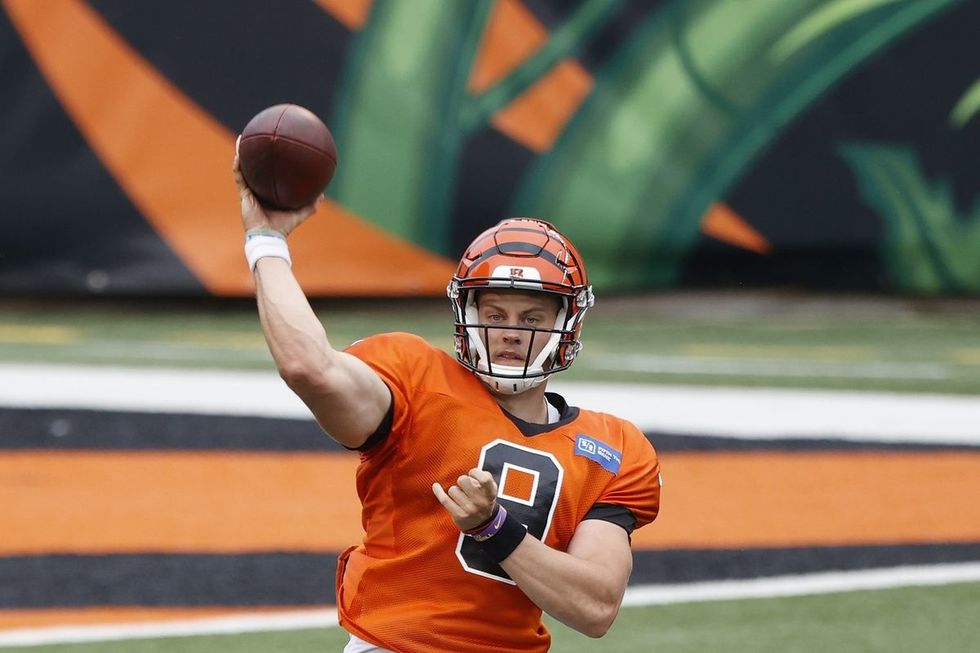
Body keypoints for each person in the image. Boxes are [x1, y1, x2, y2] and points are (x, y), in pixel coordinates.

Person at [233, 150, 662, 653]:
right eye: (496, 313)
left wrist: (495, 528)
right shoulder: (414, 377)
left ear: (566, 325)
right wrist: (268, 241)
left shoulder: (613, 448)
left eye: (531, 318)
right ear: (467, 311)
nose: (509, 333)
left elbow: (595, 608)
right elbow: (310, 367)